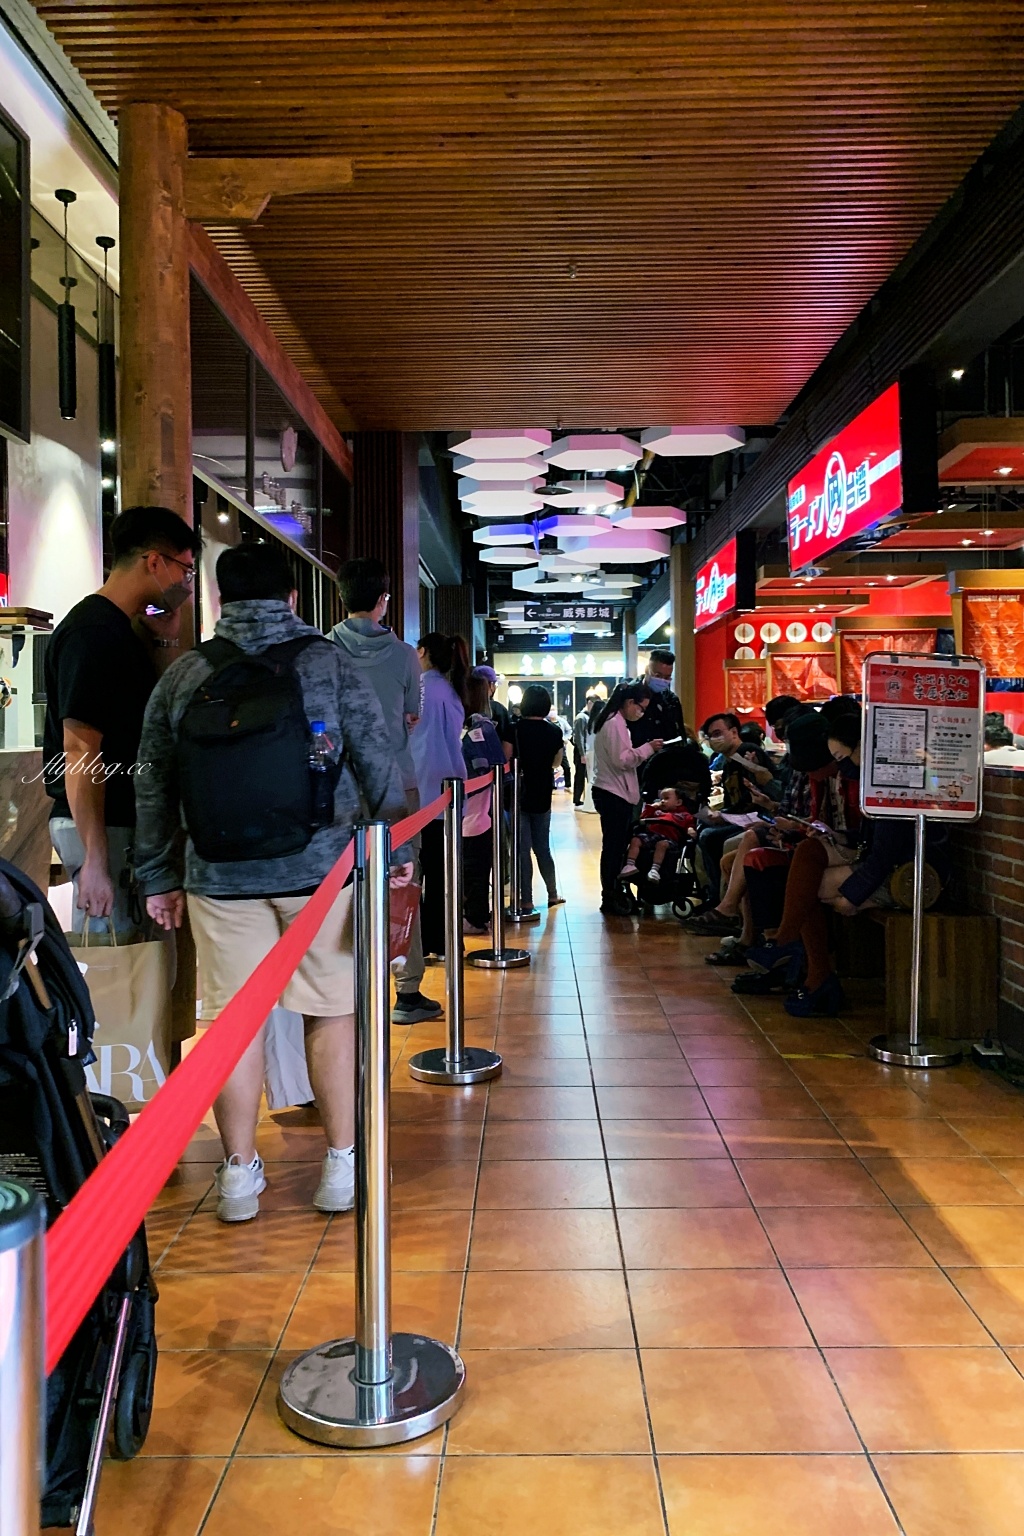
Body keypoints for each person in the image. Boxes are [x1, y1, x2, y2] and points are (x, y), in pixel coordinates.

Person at [134, 541, 413, 1222]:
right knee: (331, 1012)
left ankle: (238, 1174)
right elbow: (376, 757)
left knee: (233, 1024)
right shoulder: (328, 662)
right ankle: (341, 1164)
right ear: (292, 598)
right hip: (322, 873)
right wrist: (396, 844)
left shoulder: (184, 674)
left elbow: (153, 784)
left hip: (218, 876)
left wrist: (157, 875)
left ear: (219, 598)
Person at [44, 504, 202, 935]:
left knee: (134, 951)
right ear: (154, 562)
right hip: (102, 823)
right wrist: (95, 859)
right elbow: (79, 749)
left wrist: (164, 635)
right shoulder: (92, 634)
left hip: (114, 821)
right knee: (113, 955)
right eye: (185, 570)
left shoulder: (118, 627)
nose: (186, 585)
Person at [329, 556, 441, 1025]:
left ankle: (346, 990)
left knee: (342, 885)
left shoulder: (326, 649)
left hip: (341, 788)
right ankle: (406, 991)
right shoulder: (404, 655)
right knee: (404, 879)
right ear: (382, 600)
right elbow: (412, 715)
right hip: (396, 783)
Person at [411, 632, 470, 959]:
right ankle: (445, 941)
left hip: (421, 792)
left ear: (422, 652)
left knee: (417, 873)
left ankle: (422, 943)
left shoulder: (417, 690)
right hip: (450, 791)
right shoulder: (451, 691)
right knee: (443, 875)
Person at [591, 682, 663, 914]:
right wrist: (647, 749)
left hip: (612, 791)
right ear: (630, 702)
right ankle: (610, 895)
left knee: (614, 846)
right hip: (614, 793)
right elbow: (622, 759)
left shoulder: (612, 721)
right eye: (641, 708)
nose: (641, 713)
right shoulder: (615, 723)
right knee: (614, 848)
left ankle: (612, 893)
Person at [695, 711, 776, 903]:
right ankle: (713, 894)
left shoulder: (748, 753)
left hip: (761, 816)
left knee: (710, 836)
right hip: (740, 816)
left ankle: (719, 899)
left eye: (718, 733)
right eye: (710, 736)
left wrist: (724, 815)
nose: (714, 739)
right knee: (702, 830)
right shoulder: (728, 762)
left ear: (733, 732)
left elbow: (758, 794)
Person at [513, 684, 565, 914]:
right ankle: (552, 894)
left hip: (517, 793)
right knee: (542, 847)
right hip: (542, 792)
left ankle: (526, 900)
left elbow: (506, 758)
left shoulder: (514, 729)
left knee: (522, 850)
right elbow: (556, 763)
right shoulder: (554, 731)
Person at [461, 674, 507, 935]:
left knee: (473, 872)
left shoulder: (475, 730)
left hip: (471, 815)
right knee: (476, 871)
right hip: (479, 815)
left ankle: (475, 918)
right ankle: (476, 916)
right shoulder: (484, 728)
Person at [620, 785, 695, 883]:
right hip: (652, 835)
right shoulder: (657, 812)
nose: (662, 801)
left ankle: (654, 870)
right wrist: (652, 808)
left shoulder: (684, 815)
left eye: (666, 798)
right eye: (661, 799)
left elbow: (690, 824)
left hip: (669, 838)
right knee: (635, 840)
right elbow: (643, 818)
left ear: (678, 802)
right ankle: (630, 865)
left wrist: (690, 829)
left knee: (661, 845)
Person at [628, 649, 685, 748]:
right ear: (647, 670)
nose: (662, 680)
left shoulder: (671, 699)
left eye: (667, 677)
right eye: (658, 675)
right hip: (636, 754)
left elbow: (679, 732)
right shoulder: (630, 694)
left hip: (667, 754)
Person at [471, 664, 515, 761]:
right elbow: (506, 740)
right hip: (494, 763)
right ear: (491, 685)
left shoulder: (465, 707)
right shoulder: (498, 709)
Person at [572, 695, 598, 806]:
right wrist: (582, 754)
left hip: (588, 751)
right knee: (580, 775)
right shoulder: (581, 717)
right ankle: (577, 800)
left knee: (588, 776)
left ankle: (588, 800)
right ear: (590, 703)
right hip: (581, 751)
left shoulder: (589, 717)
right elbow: (579, 737)